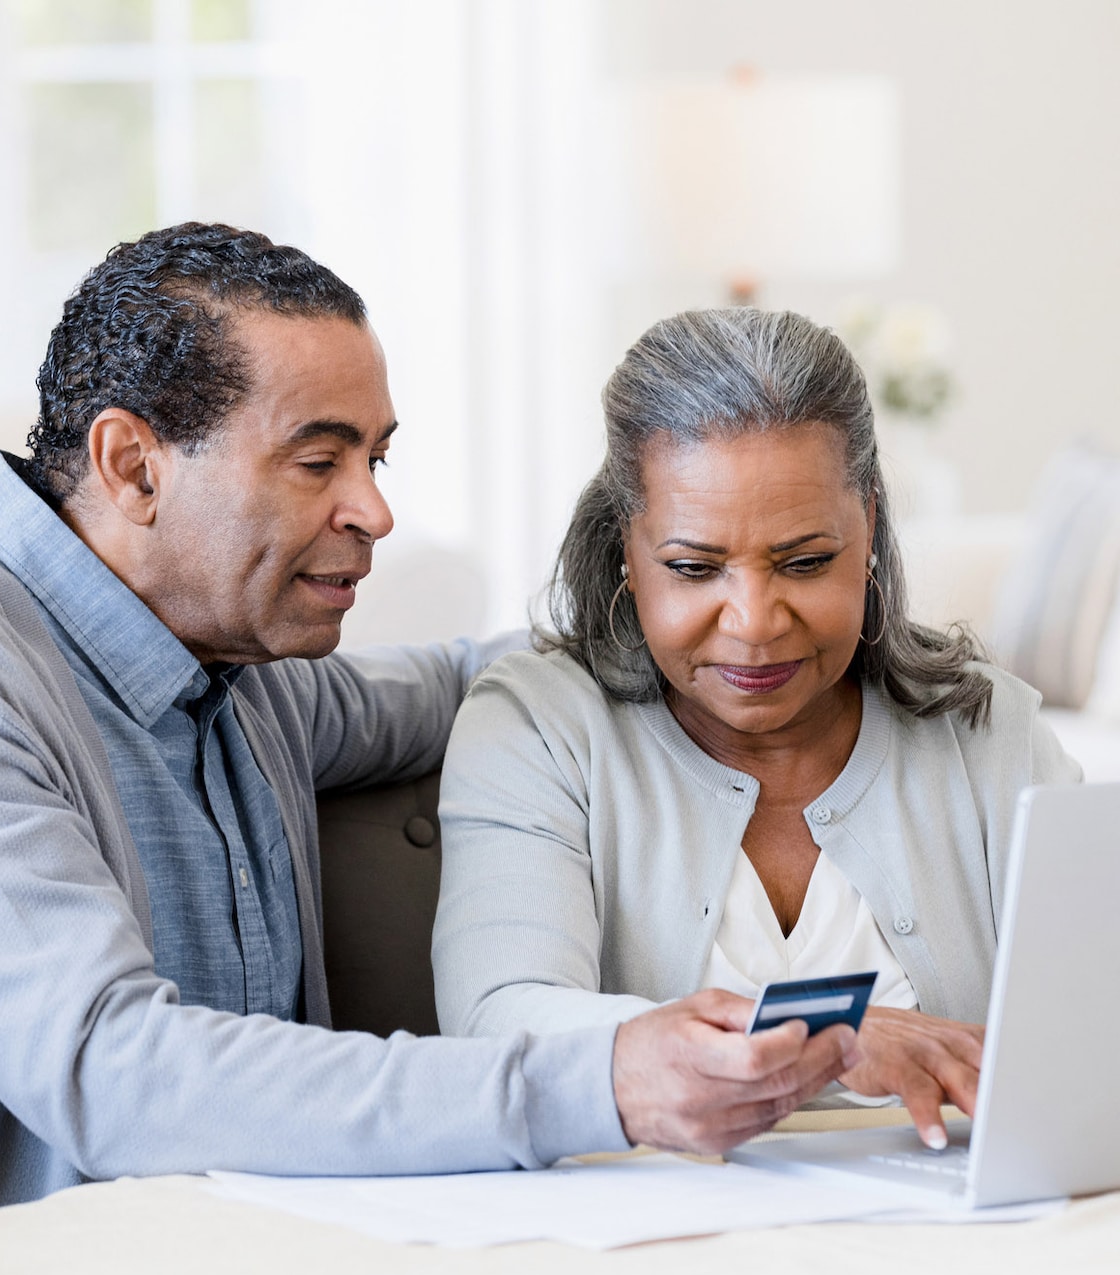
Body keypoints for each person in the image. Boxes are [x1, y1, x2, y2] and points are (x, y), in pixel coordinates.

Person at [0, 230, 854, 1275]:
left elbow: (471, 682)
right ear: (132, 465)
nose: (373, 511)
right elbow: (113, 1069)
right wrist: (599, 1079)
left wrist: (727, 628)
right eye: (318, 461)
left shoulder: (238, 664)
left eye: (375, 459)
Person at [432, 308, 1081, 1151]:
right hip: (659, 1222)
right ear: (626, 546)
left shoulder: (990, 731)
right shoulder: (538, 728)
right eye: (694, 567)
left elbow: (1099, 1018)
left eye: (804, 562)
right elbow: (498, 1021)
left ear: (869, 526)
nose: (754, 621)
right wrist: (830, 1035)